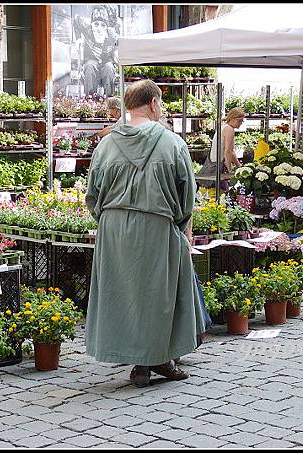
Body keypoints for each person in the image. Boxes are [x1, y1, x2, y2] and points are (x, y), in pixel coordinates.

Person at [85, 79, 205, 388]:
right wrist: (179, 225)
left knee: (125, 293)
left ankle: (140, 360)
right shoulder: (172, 143)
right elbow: (186, 194)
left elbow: (92, 194)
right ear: (153, 104)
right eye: (161, 104)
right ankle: (156, 359)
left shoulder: (106, 144)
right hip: (156, 224)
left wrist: (109, 218)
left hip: (113, 228)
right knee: (158, 295)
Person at [73, 6, 118, 96]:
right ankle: (90, 99)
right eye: (96, 24)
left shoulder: (112, 35)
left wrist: (116, 52)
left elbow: (118, 45)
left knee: (109, 67)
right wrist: (78, 39)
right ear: (92, 25)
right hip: (91, 61)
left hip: (106, 62)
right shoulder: (87, 28)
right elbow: (76, 19)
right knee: (89, 66)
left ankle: (109, 99)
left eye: (103, 25)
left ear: (106, 27)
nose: (99, 28)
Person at [196, 107, 245, 189]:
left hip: (212, 163)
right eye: (239, 120)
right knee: (219, 193)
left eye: (242, 121)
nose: (240, 123)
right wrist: (230, 171)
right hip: (217, 166)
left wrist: (239, 166)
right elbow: (228, 152)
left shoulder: (224, 127)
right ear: (232, 118)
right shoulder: (229, 129)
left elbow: (231, 152)